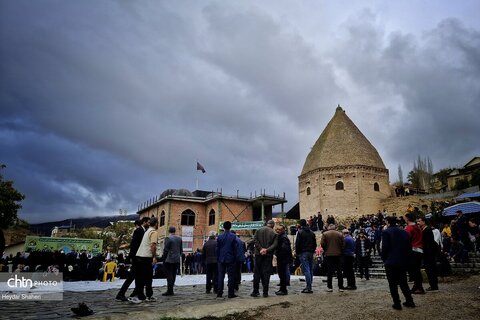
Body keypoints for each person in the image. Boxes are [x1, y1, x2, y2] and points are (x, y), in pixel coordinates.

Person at [381, 216, 415, 310]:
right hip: (403, 261)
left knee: (392, 284)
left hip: (391, 261)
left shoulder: (386, 232)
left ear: (387, 222)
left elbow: (385, 247)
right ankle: (410, 301)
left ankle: (397, 303)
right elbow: (409, 246)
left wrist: (384, 259)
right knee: (404, 283)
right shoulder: (404, 232)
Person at [116, 217, 149, 301]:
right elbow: (134, 245)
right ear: (144, 222)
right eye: (148, 222)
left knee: (138, 276)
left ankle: (139, 294)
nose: (149, 223)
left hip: (139, 257)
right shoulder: (139, 230)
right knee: (133, 276)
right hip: (137, 258)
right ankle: (121, 294)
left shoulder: (142, 230)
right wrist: (131, 257)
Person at [131, 217, 158, 303]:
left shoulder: (147, 231)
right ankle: (147, 295)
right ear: (156, 223)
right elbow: (153, 245)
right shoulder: (153, 232)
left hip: (140, 256)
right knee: (148, 277)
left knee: (141, 277)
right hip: (146, 257)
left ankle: (141, 295)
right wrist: (154, 257)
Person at [251, 220, 278, 298]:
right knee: (266, 273)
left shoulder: (258, 230)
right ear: (272, 225)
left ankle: (255, 291)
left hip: (258, 254)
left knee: (256, 273)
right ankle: (265, 292)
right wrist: (267, 250)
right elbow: (275, 244)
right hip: (268, 255)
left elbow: (255, 240)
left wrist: (260, 249)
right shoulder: (274, 233)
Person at [216, 221, 238, 298]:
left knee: (220, 276)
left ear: (223, 227)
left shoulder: (219, 236)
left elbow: (217, 248)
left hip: (221, 259)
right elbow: (235, 248)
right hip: (231, 258)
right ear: (230, 227)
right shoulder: (233, 236)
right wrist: (235, 257)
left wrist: (218, 257)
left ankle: (219, 292)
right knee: (231, 276)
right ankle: (230, 293)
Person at [417, 217, 439, 291]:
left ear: (424, 222)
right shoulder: (424, 230)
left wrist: (428, 252)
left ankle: (433, 285)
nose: (418, 223)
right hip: (426, 253)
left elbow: (429, 243)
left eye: (419, 221)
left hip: (429, 253)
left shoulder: (427, 230)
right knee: (428, 269)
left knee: (430, 269)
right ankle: (433, 284)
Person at [404, 212, 425, 294]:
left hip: (413, 250)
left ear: (408, 219)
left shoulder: (409, 228)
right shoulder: (417, 227)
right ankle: (417, 286)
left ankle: (419, 287)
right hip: (419, 250)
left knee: (414, 270)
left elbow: (406, 240)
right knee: (416, 270)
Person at [295, 219, 316, 293]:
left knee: (306, 270)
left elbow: (297, 244)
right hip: (310, 252)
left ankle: (308, 287)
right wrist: (313, 250)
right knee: (310, 269)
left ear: (300, 224)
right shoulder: (312, 233)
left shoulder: (300, 232)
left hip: (303, 252)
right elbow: (315, 244)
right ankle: (309, 285)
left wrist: (297, 253)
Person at [321, 224, 345, 292]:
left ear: (329, 228)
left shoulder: (325, 234)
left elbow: (322, 243)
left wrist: (326, 249)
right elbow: (343, 244)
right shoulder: (340, 234)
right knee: (339, 271)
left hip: (329, 255)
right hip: (338, 254)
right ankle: (341, 287)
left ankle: (330, 287)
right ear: (335, 228)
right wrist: (340, 250)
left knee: (330, 271)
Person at [162, 226, 183, 296]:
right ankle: (171, 288)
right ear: (175, 231)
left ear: (169, 231)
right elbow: (181, 250)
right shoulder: (179, 238)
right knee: (174, 274)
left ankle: (170, 290)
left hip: (169, 259)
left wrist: (164, 258)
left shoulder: (168, 238)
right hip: (176, 259)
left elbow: (166, 250)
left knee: (169, 274)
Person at [275, 224, 292, 295]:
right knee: (282, 274)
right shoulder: (282, 236)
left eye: (279, 230)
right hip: (282, 258)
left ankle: (283, 290)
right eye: (277, 229)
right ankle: (282, 289)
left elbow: (284, 248)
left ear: (282, 230)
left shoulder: (283, 237)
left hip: (282, 259)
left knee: (282, 274)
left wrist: (279, 254)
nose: (277, 231)